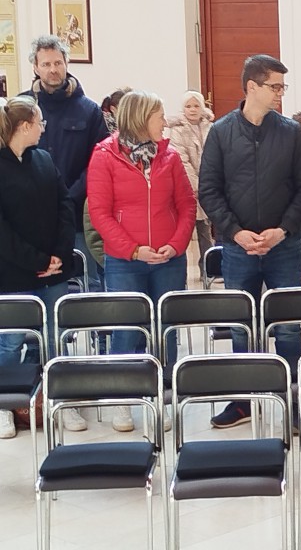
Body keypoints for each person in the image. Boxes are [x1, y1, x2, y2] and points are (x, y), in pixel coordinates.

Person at [199, 54, 301, 429]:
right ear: (252, 87)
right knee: (242, 325)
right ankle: (244, 401)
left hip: (284, 246)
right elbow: (209, 190)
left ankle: (292, 399)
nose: (281, 93)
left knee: (287, 326)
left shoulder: (291, 132)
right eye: (275, 86)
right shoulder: (221, 132)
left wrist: (282, 230)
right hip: (238, 248)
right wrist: (235, 231)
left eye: (283, 86)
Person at [88, 90, 196, 432]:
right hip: (125, 261)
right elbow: (100, 213)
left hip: (168, 259)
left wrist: (175, 245)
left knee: (166, 329)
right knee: (127, 329)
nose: (164, 122)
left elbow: (186, 205)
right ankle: (124, 398)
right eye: (159, 116)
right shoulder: (104, 155)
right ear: (140, 118)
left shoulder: (170, 157)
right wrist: (134, 250)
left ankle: (162, 396)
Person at [0, 96, 75, 438]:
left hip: (54, 271)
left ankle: (58, 399)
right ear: (24, 126)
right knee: (11, 343)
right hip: (14, 274)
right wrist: (38, 260)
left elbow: (65, 205)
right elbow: (3, 232)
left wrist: (59, 253)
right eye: (40, 122)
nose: (44, 128)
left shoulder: (43, 159)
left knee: (54, 338)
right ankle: (5, 406)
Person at [23, 35, 108, 303]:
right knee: (37, 286)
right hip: (31, 216)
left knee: (91, 285)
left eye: (58, 63)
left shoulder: (90, 111)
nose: (53, 69)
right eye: (46, 64)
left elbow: (99, 163)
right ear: (35, 67)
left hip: (78, 215)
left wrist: (68, 198)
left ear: (66, 63)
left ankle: (95, 331)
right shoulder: (21, 109)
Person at [167, 90, 215, 278]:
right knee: (184, 231)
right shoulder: (177, 130)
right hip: (187, 189)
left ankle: (208, 270)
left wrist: (208, 185)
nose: (192, 110)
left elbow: (215, 156)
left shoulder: (211, 127)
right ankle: (180, 273)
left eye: (196, 106)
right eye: (188, 106)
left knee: (205, 231)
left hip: (208, 187)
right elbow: (182, 161)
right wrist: (195, 186)